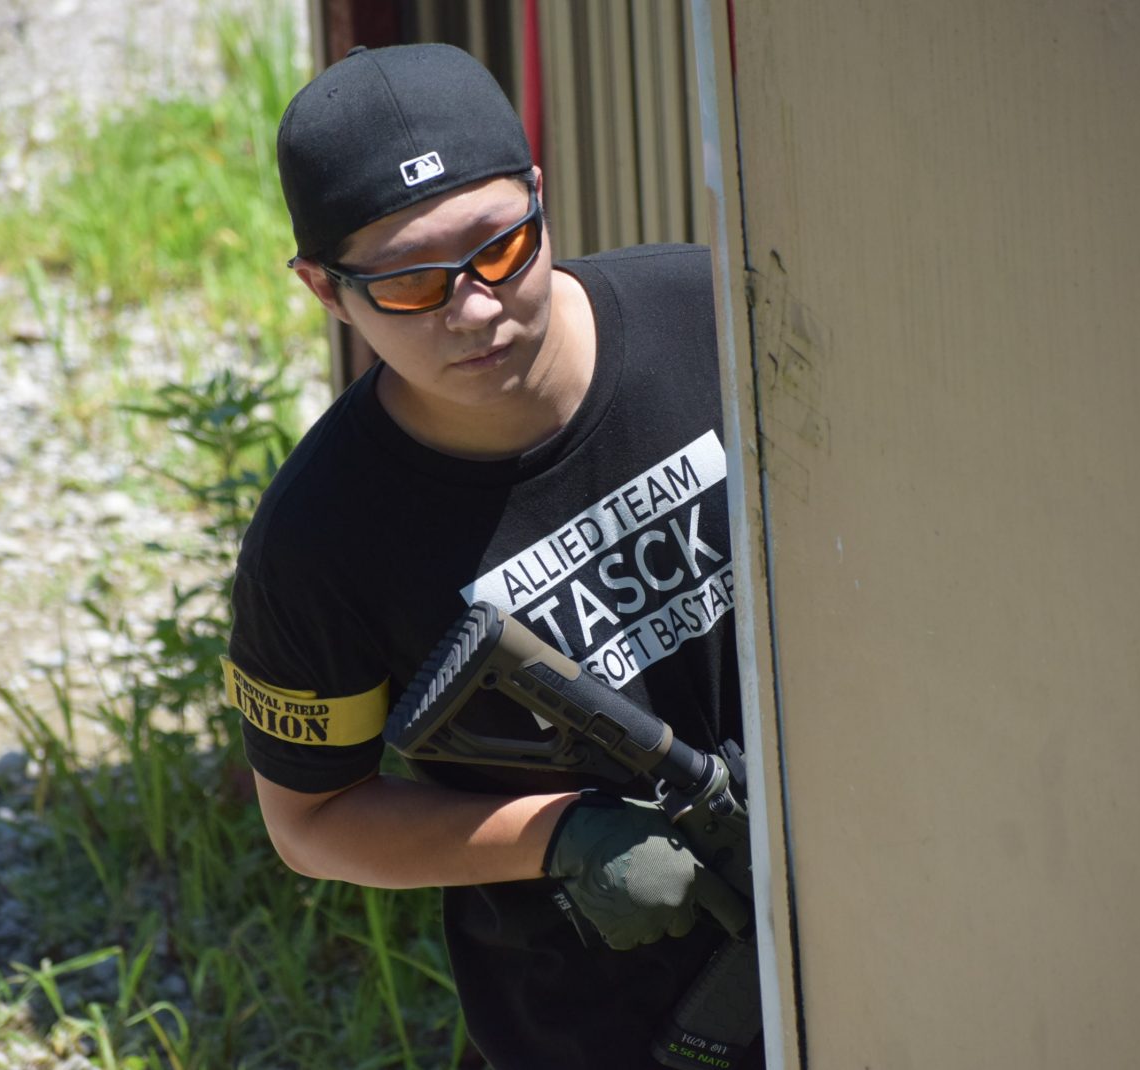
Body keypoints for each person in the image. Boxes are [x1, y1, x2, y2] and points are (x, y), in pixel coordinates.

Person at [223, 42, 757, 1070]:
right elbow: (313, 820)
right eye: (409, 283)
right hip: (591, 1027)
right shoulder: (318, 540)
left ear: (539, 196)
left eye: (501, 248)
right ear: (324, 290)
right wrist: (561, 835)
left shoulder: (708, 314)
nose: (473, 308)